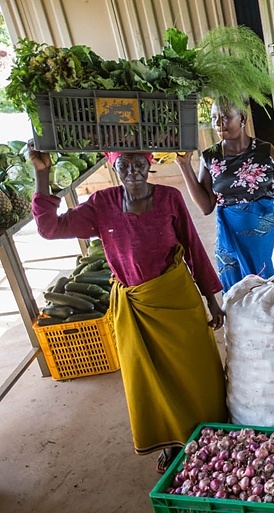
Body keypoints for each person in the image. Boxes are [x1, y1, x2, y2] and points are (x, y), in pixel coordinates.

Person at [29, 148, 228, 473]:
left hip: (177, 299)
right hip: (134, 307)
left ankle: (210, 435)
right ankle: (170, 440)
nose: (133, 171)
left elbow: (192, 245)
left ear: (149, 164)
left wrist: (212, 298)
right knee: (149, 379)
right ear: (113, 165)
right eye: (124, 164)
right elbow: (50, 228)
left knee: (198, 372)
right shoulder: (101, 204)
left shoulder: (169, 198)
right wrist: (41, 173)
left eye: (139, 164)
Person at [175, 97, 274, 292]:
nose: (218, 123)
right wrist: (184, 166)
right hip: (231, 236)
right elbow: (206, 207)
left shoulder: (266, 151)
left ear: (242, 118)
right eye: (214, 118)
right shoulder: (210, 156)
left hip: (269, 237)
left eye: (224, 117)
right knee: (238, 293)